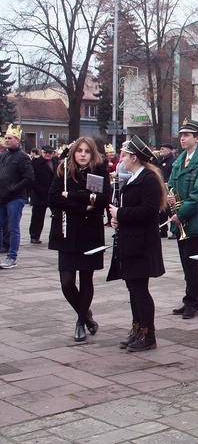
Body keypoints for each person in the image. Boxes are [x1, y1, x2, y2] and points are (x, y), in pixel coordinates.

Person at [49, 138, 111, 341]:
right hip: (66, 231)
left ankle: (80, 321)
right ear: (73, 153)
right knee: (67, 282)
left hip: (89, 232)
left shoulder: (99, 172)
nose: (83, 154)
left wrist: (72, 195)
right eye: (79, 151)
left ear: (93, 154)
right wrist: (83, 203)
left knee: (86, 278)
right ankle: (86, 316)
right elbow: (54, 197)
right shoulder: (64, 171)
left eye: (87, 152)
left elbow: (103, 200)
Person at [107, 136, 166, 351]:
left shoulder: (148, 178)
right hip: (130, 240)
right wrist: (117, 218)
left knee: (140, 288)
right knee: (132, 287)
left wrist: (120, 213)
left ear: (134, 157)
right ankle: (137, 328)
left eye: (124, 155)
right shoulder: (134, 177)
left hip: (141, 243)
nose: (120, 158)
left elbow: (149, 211)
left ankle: (148, 334)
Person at [167, 119, 198, 319]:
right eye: (181, 135)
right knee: (185, 262)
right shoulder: (179, 161)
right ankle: (189, 298)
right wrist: (169, 197)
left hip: (193, 220)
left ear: (197, 138)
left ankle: (193, 302)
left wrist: (181, 213)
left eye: (187, 135)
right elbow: (170, 184)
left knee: (191, 261)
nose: (182, 138)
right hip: (180, 219)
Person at [0, 124, 35, 269]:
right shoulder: (3, 155)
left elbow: (29, 178)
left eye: (10, 138)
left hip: (15, 198)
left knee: (13, 227)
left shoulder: (22, 157)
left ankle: (12, 257)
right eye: (5, 138)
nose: (6, 140)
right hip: (2, 197)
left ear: (17, 140)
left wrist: (13, 188)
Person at [29, 145, 58, 244]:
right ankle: (34, 236)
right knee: (37, 217)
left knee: (56, 215)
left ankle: (56, 236)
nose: (47, 155)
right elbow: (33, 179)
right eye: (46, 153)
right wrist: (39, 189)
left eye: (50, 153)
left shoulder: (55, 162)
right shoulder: (36, 162)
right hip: (40, 194)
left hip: (52, 194)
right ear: (42, 152)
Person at [155, 143, 176, 238]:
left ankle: (174, 230)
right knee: (162, 209)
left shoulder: (173, 161)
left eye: (163, 149)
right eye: (161, 149)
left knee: (170, 210)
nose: (161, 150)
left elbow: (172, 174)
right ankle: (163, 230)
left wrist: (167, 183)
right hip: (160, 187)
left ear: (169, 150)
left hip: (167, 187)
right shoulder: (159, 160)